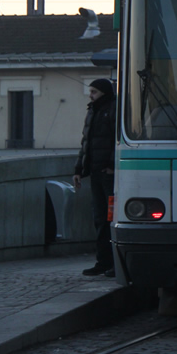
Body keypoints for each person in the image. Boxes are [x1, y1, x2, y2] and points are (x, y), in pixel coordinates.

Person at [73, 78, 117, 277]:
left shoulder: (114, 109)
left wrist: (111, 166)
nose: (90, 95)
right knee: (100, 218)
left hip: (108, 174)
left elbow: (117, 139)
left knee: (111, 218)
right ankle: (103, 261)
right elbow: (86, 143)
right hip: (96, 173)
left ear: (104, 93)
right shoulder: (92, 111)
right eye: (90, 91)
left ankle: (115, 264)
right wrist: (79, 169)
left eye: (94, 92)